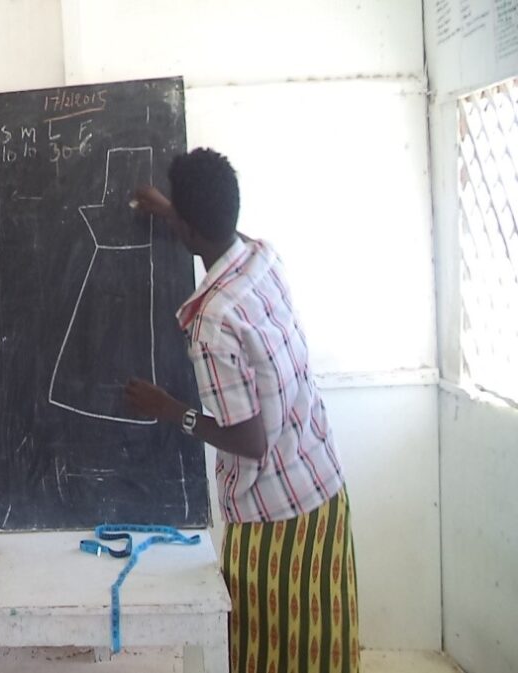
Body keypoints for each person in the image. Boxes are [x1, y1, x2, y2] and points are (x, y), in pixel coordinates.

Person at [125, 148, 358, 673]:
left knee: (266, 653)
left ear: (189, 228)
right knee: (323, 651)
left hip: (273, 522)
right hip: (324, 489)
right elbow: (221, 236)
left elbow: (250, 442)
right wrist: (175, 212)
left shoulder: (212, 324)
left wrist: (171, 410)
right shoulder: (262, 256)